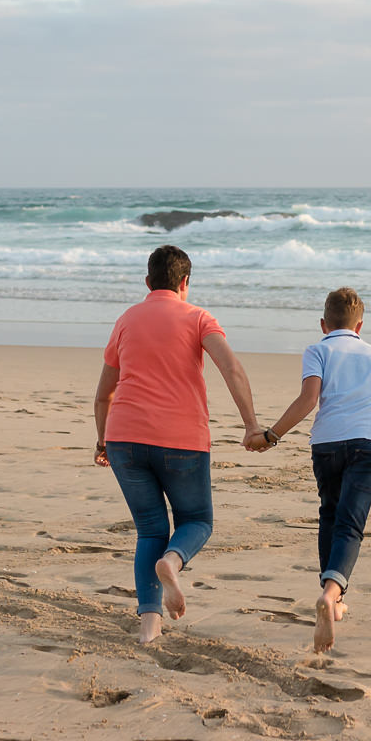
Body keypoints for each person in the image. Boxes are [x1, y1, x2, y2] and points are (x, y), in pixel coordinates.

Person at [251, 287, 371, 652]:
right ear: (360, 325)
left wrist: (272, 435)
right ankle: (331, 594)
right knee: (351, 522)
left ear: (324, 324)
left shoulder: (318, 349)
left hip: (326, 444)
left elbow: (309, 399)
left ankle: (333, 599)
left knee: (330, 514)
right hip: (369, 445)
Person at [93, 245, 262, 644]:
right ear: (185, 283)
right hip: (181, 440)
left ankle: (149, 624)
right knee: (197, 522)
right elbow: (231, 368)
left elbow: (104, 394)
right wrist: (251, 424)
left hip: (124, 439)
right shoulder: (199, 317)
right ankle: (173, 561)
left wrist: (103, 440)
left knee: (150, 529)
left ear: (148, 282)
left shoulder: (126, 320)